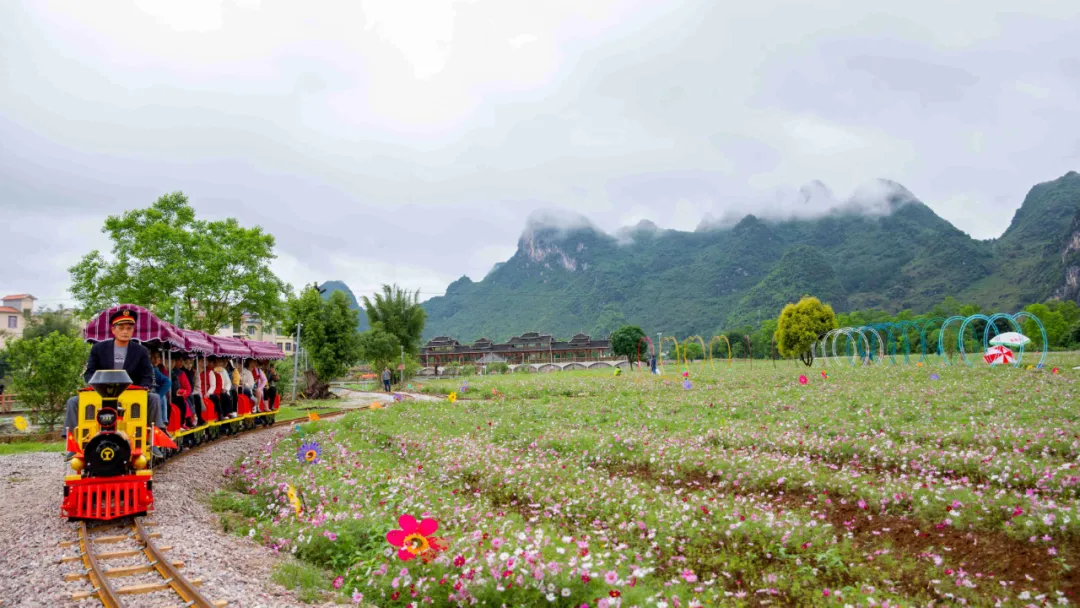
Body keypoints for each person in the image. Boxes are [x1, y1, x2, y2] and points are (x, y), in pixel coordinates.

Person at [64, 309, 165, 458]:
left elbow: (147, 376)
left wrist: (143, 388)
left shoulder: (141, 351)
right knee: (73, 401)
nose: (125, 332)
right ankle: (73, 444)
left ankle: (154, 441)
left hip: (132, 394)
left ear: (133, 330)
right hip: (101, 393)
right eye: (121, 328)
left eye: (129, 328)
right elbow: (89, 372)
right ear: (113, 329)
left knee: (154, 398)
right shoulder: (98, 348)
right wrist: (96, 385)